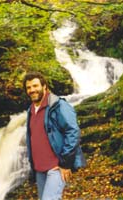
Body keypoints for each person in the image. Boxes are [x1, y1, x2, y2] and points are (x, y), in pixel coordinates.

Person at [23, 71, 86, 200]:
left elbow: (73, 131)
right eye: (28, 87)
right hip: (39, 168)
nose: (32, 90)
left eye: (35, 86)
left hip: (56, 167)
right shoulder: (31, 110)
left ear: (44, 86)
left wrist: (65, 163)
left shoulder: (58, 105)